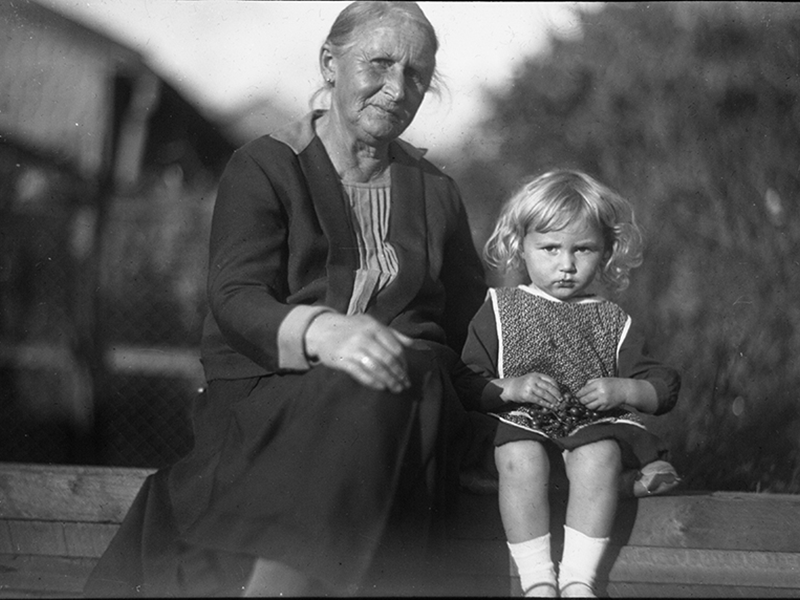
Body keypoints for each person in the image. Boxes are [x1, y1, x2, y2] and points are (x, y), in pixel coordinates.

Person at [84, 2, 488, 596]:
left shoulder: (436, 193)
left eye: (417, 75)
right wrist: (326, 333)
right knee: (382, 380)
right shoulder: (265, 166)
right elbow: (235, 294)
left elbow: (467, 320)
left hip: (406, 395)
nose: (397, 88)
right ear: (330, 63)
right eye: (379, 63)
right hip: (270, 390)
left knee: (401, 371)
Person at [459, 170, 681, 597]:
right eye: (549, 249)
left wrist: (624, 390)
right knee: (521, 455)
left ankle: (579, 580)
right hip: (518, 431)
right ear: (520, 246)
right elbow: (467, 380)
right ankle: (538, 582)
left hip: (587, 431)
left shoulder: (613, 318)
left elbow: (662, 384)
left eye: (583, 249)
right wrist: (511, 387)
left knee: (599, 454)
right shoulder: (499, 309)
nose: (566, 264)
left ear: (607, 252)